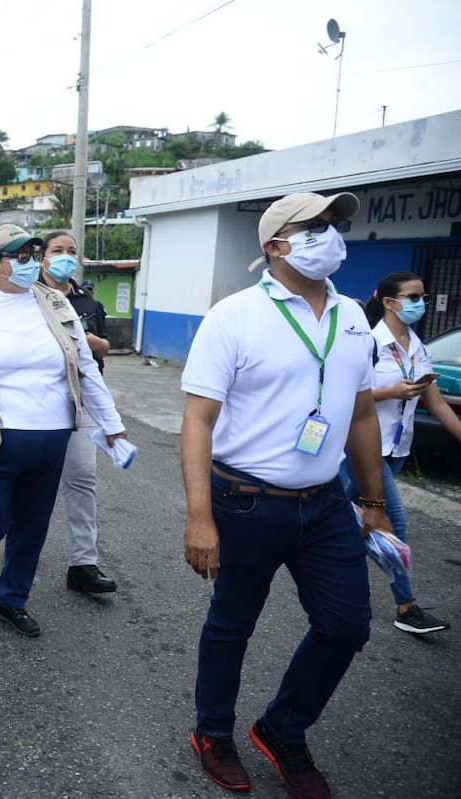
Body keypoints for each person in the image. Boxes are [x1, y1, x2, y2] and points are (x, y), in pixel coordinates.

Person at [181, 192, 392, 797]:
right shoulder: (235, 316)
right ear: (274, 246)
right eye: (315, 226)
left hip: (326, 502)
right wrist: (200, 518)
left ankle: (282, 729)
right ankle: (213, 732)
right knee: (232, 623)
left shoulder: (354, 316)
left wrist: (374, 506)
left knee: (346, 626)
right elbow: (197, 421)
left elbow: (360, 417)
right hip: (245, 500)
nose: (331, 234)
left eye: (334, 225)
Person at [0, 224, 128, 637]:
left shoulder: (56, 304)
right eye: (21, 256)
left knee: (32, 527)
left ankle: (12, 600)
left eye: (33, 254)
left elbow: (86, 368)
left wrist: (113, 427)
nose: (30, 263)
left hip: (53, 440)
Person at [337, 271, 460, 635]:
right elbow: (347, 396)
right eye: (412, 297)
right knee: (395, 523)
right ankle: (406, 607)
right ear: (389, 302)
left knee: (340, 514)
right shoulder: (367, 343)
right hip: (363, 447)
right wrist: (389, 392)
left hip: (397, 449)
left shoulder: (418, 348)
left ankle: (322, 566)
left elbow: (436, 404)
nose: (420, 303)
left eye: (422, 296)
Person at [37, 231, 118, 594]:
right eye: (57, 251)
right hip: (39, 404)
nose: (66, 257)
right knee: (20, 488)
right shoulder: (29, 296)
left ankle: (83, 564)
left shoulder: (87, 301)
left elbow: (101, 349)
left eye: (71, 251)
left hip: (81, 401)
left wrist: (94, 343)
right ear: (43, 259)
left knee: (83, 481)